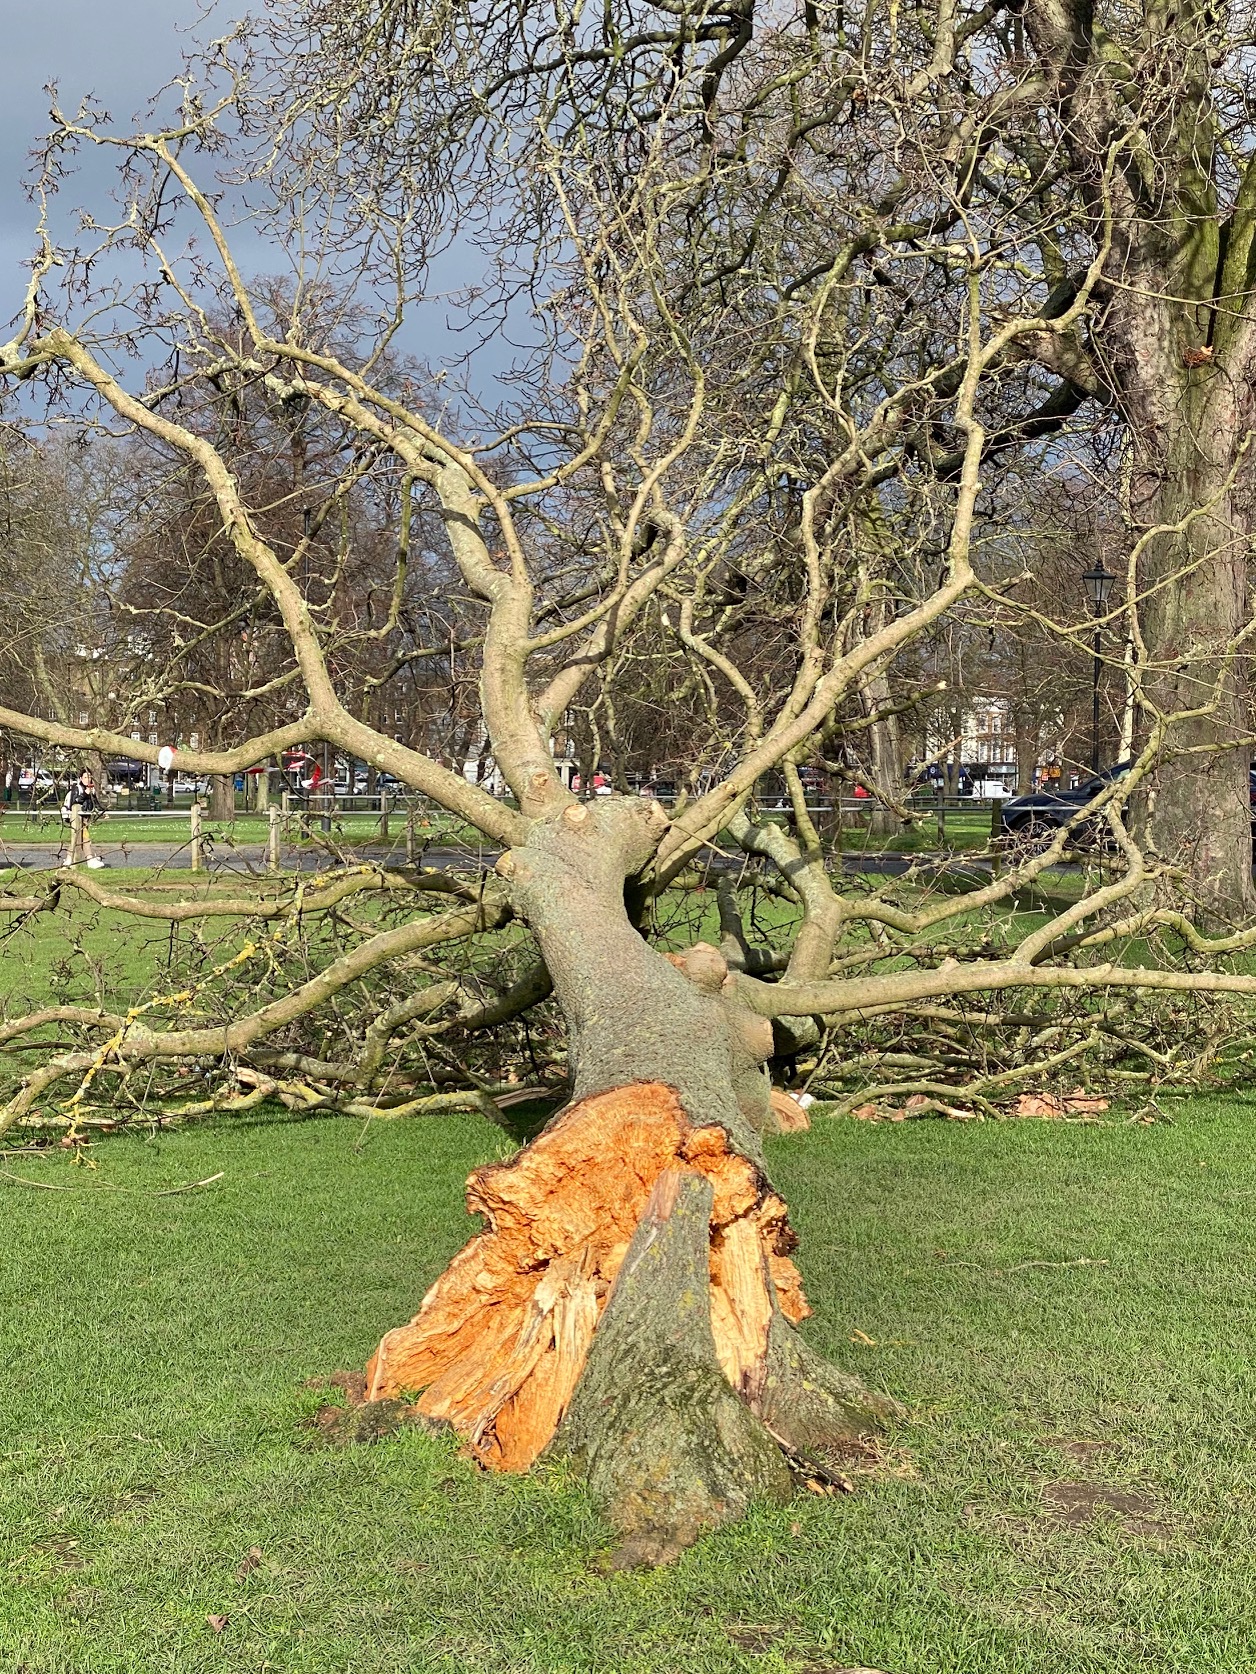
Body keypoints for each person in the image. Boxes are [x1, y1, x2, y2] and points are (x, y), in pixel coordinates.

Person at [62, 769, 107, 868]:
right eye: (85, 777)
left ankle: (70, 859)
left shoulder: (92, 789)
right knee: (84, 837)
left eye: (89, 777)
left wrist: (103, 812)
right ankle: (89, 859)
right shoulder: (77, 789)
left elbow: (95, 803)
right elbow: (75, 801)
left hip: (86, 817)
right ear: (81, 778)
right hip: (76, 817)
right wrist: (86, 794)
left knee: (77, 839)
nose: (88, 779)